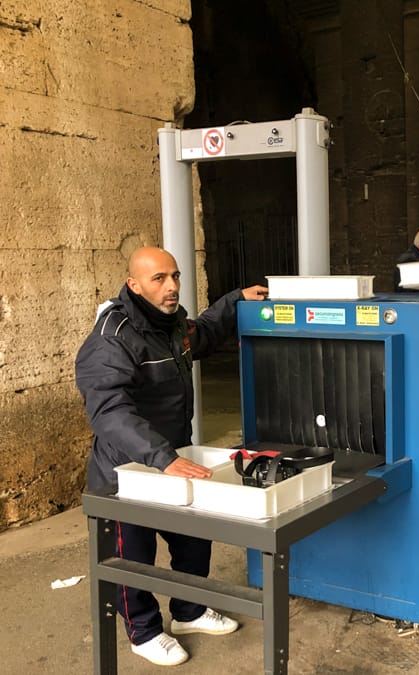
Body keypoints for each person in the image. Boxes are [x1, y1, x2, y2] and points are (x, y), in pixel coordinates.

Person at [75, 246, 268, 667]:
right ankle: (144, 632)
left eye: (175, 276)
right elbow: (109, 411)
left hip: (173, 455)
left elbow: (201, 335)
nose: (172, 286)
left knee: (193, 539)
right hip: (126, 468)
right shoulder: (113, 335)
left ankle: (189, 610)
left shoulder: (171, 323)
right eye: (159, 278)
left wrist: (235, 300)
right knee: (134, 554)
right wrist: (162, 458)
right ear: (134, 284)